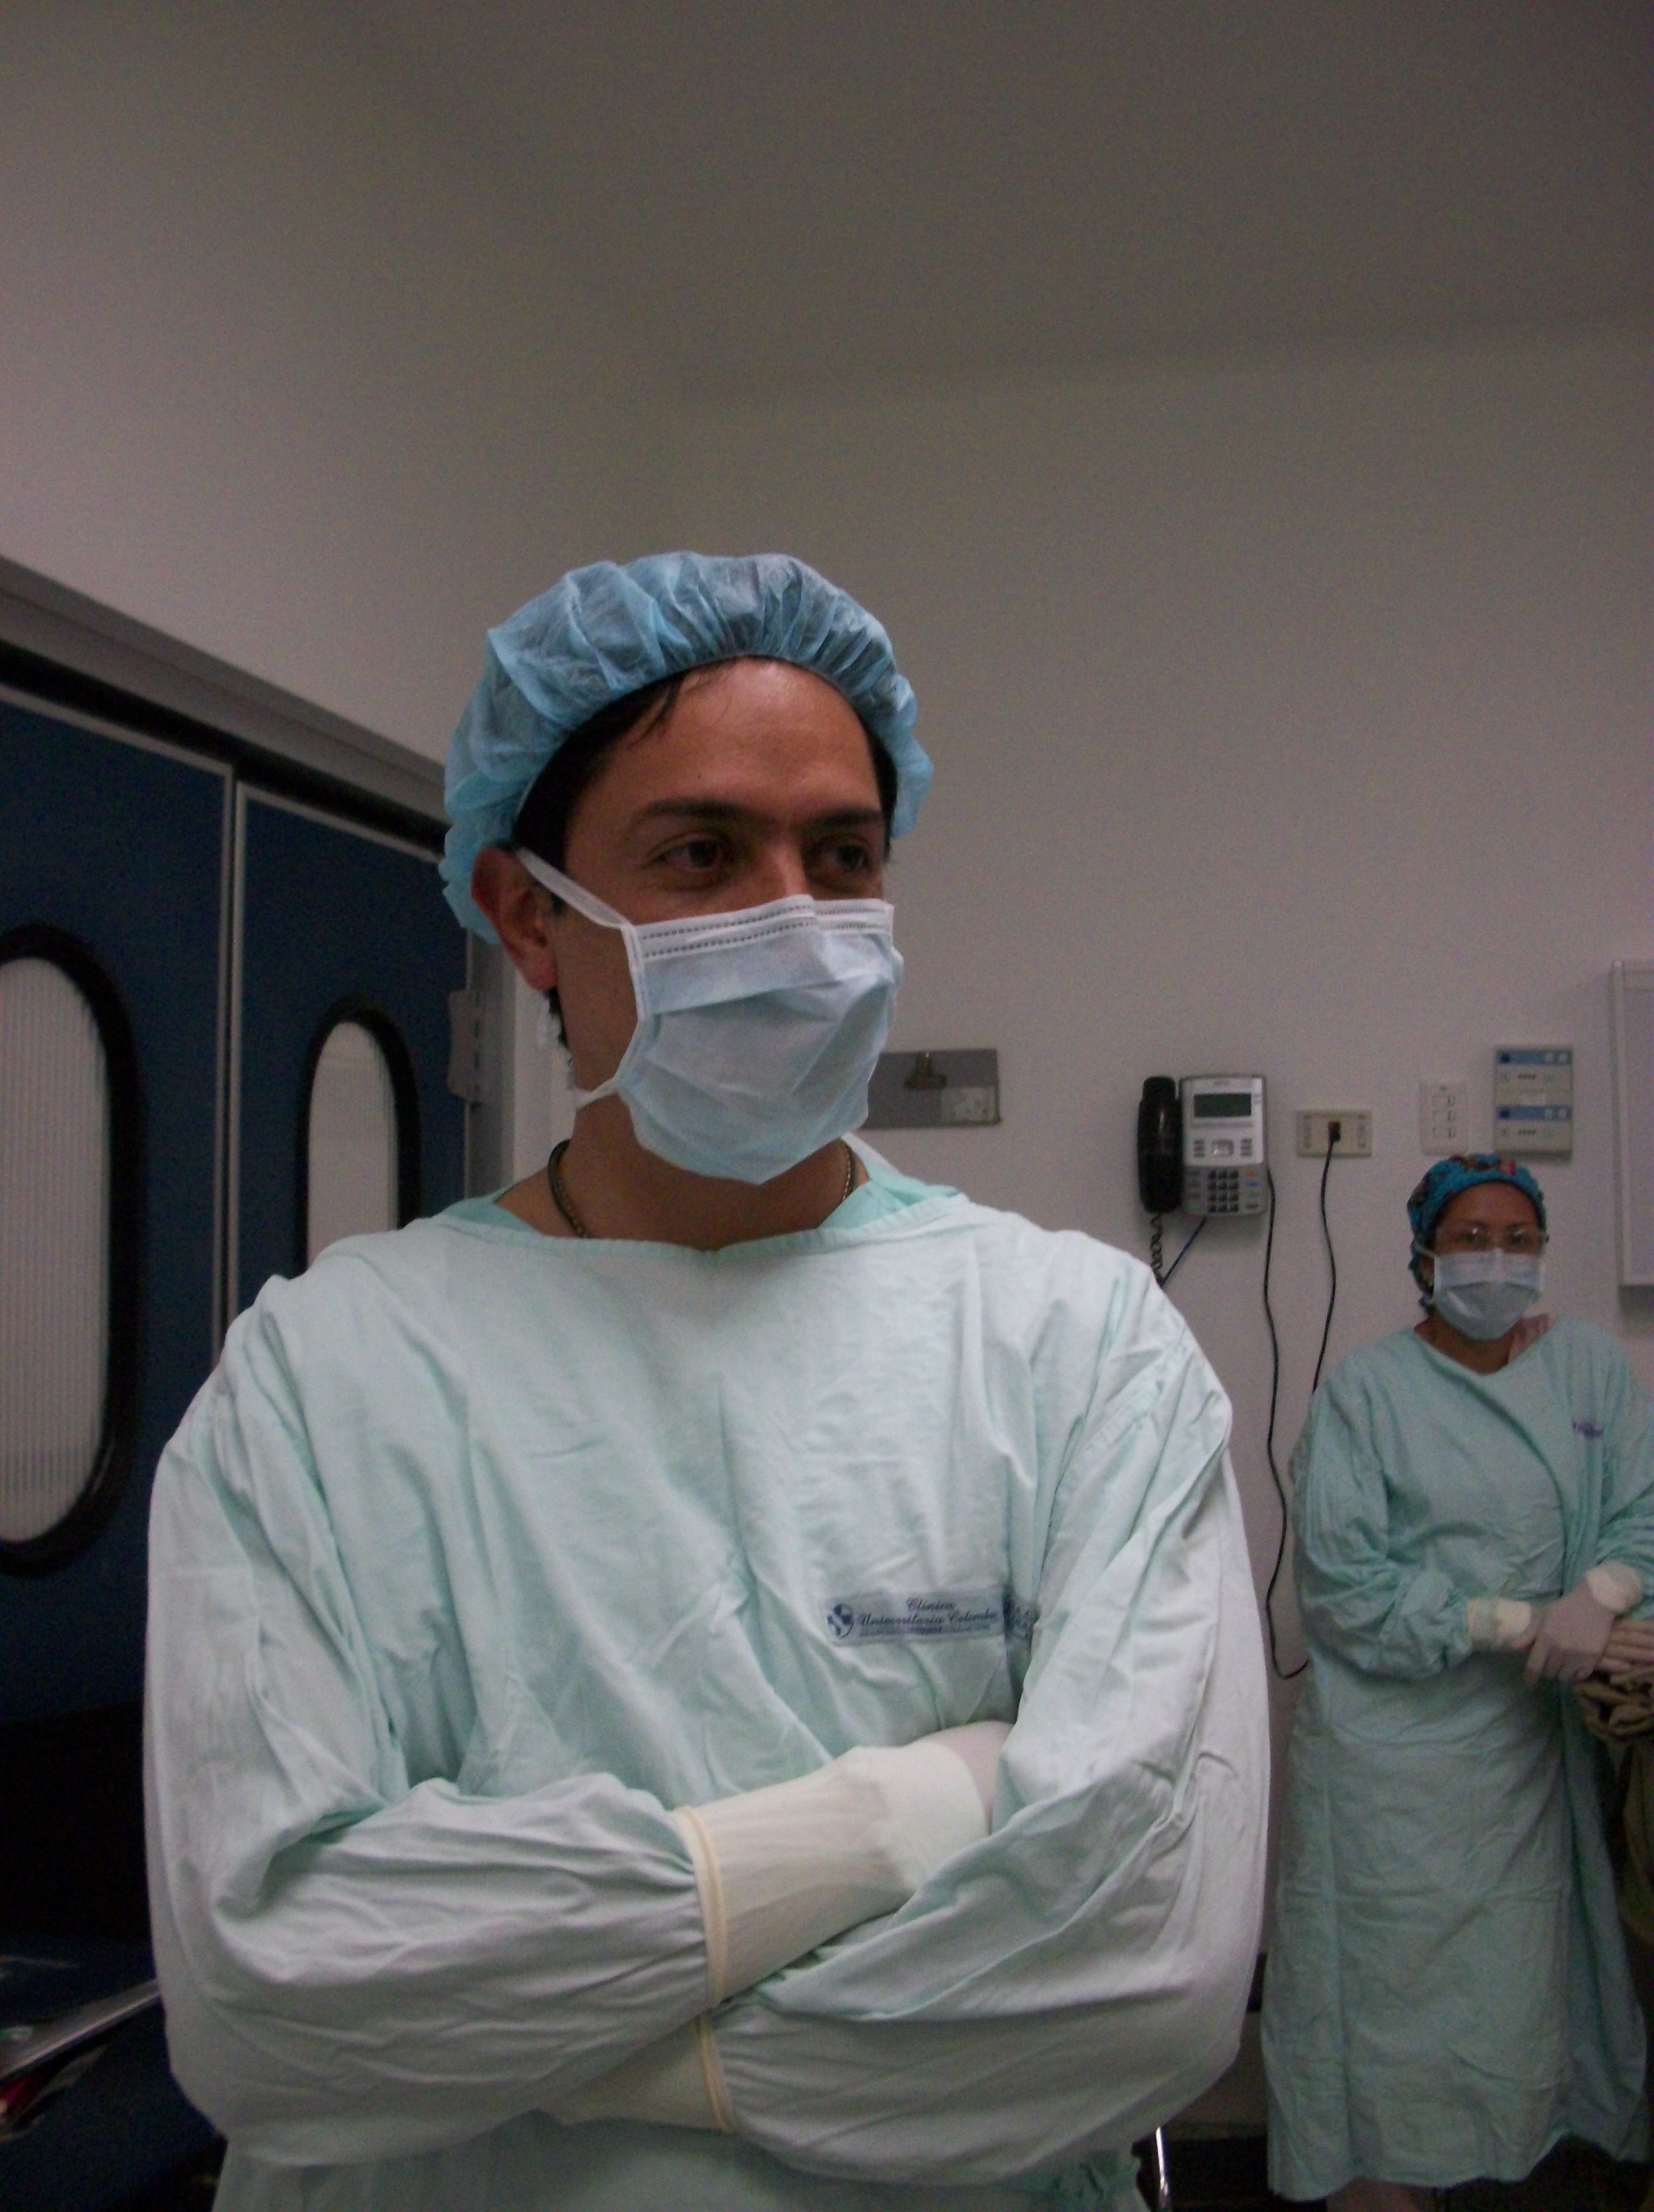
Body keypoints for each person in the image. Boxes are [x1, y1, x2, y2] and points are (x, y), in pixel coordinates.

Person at [145, 552, 1268, 2212]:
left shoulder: (1081, 1348)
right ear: (527, 914)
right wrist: (899, 1821)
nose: (795, 918)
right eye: (702, 855)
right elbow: (272, 2003)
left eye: (844, 856)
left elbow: (1144, 1973)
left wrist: (544, 2038)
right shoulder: (324, 1376)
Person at [1261, 1153, 1654, 2211]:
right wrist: (1517, 1620)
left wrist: (1607, 1592)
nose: (1496, 1260)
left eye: (1518, 1240)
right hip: (1391, 1765)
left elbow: (1644, 1505)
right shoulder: (1365, 1395)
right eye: (1471, 1238)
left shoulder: (1586, 1370)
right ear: (1425, 1255)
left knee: (1515, 2002)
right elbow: (1344, 1589)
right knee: (1385, 2005)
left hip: (1527, 1751)